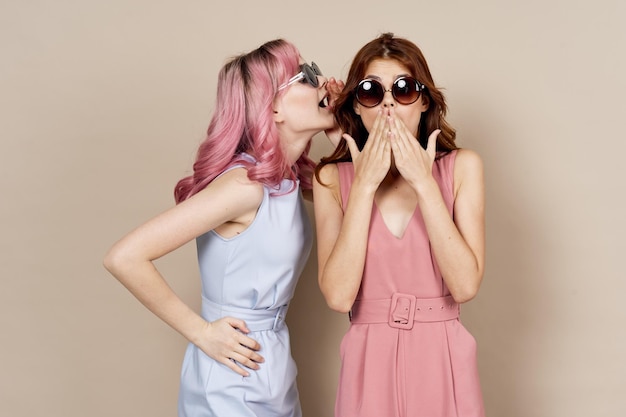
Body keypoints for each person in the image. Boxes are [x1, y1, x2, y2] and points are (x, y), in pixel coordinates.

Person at [104, 39, 341, 417]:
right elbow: (124, 257)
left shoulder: (288, 179)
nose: (324, 83)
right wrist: (201, 333)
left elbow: (359, 209)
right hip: (230, 377)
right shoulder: (243, 187)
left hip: (273, 366)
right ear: (273, 106)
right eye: (306, 76)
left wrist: (344, 139)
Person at [313, 33, 486, 417]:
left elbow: (464, 285)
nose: (389, 102)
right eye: (372, 92)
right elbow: (339, 297)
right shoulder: (330, 180)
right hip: (367, 359)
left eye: (404, 89)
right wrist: (364, 186)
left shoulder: (462, 168)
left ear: (423, 101)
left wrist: (424, 183)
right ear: (357, 107)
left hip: (442, 355)